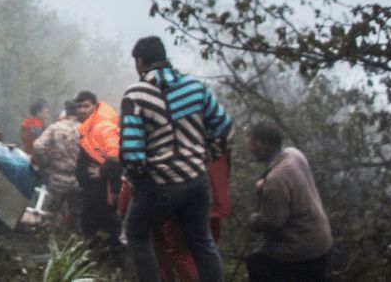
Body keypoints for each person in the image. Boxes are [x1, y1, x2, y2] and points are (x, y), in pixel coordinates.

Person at [119, 36, 232, 282]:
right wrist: (207, 154)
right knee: (202, 242)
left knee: (137, 233)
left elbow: (132, 153)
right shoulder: (194, 87)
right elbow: (223, 124)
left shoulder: (136, 94)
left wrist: (141, 183)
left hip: (159, 185)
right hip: (195, 180)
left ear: (140, 62)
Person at [245, 123, 332, 282]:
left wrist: (253, 220)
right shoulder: (294, 154)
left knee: (256, 262)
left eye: (252, 144)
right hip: (322, 239)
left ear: (265, 145)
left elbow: (272, 222)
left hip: (301, 247)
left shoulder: (276, 180)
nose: (250, 149)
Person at [74, 89, 122, 258]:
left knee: (106, 225)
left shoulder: (103, 125)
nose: (81, 110)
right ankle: (97, 261)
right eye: (78, 106)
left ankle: (114, 263)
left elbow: (115, 156)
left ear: (95, 106)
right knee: (92, 225)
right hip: (91, 189)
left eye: (86, 106)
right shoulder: (88, 128)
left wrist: (103, 171)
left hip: (104, 189)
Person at [32, 100, 82, 228]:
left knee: (49, 216)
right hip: (78, 179)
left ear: (66, 111)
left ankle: (46, 241)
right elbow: (101, 152)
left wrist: (45, 162)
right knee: (76, 218)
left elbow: (38, 146)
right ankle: (72, 244)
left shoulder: (55, 127)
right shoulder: (85, 129)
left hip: (57, 178)